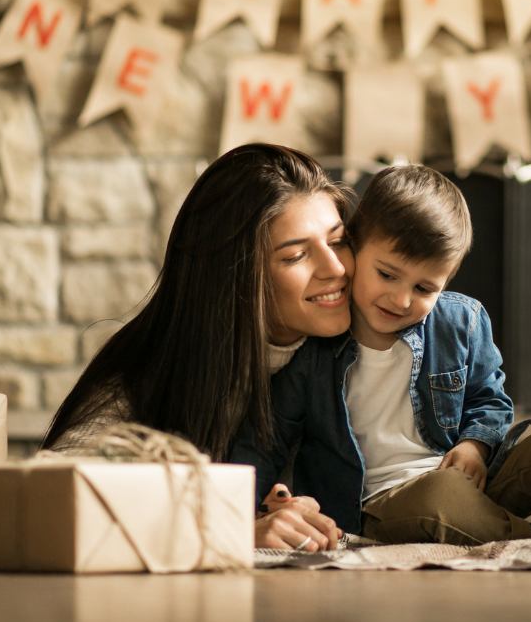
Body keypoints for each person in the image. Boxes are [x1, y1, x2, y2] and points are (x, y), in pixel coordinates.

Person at [232, 165, 531, 545]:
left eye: (424, 288)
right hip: (377, 506)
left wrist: (474, 446)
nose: (402, 300)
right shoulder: (315, 349)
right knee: (442, 497)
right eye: (387, 275)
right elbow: (266, 440)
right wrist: (243, 514)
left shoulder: (461, 322)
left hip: (468, 481)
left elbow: (490, 399)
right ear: (354, 247)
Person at [42, 143, 347, 552]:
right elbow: (56, 505)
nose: (336, 268)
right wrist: (229, 531)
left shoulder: (380, 339)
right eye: (295, 256)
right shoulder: (152, 375)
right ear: (234, 276)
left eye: (339, 240)